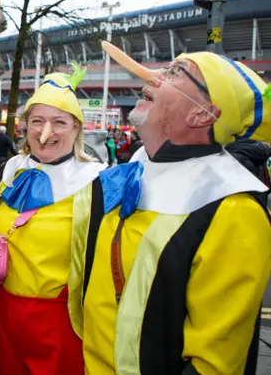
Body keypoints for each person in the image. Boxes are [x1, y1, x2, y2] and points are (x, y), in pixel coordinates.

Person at [80, 42, 271, 374]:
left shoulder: (233, 209)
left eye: (174, 73)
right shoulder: (127, 175)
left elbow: (214, 362)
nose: (154, 77)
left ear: (203, 113)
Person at [0, 66, 106, 374]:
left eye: (59, 122)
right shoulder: (10, 171)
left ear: (76, 129)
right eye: (37, 121)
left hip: (61, 321)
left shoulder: (95, 182)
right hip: (7, 315)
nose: (45, 132)